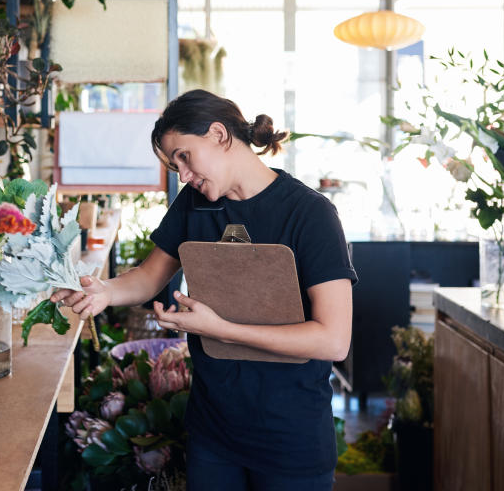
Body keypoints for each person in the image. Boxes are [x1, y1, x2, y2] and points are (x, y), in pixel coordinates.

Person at [52, 89, 356, 491]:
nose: (182, 174)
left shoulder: (309, 214)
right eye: (173, 163)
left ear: (218, 134)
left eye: (183, 156)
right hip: (214, 434)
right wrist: (104, 291)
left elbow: (333, 340)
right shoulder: (195, 204)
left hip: (290, 438)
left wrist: (219, 327)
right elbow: (149, 276)